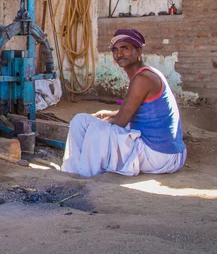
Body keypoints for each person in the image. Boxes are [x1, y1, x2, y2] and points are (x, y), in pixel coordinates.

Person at [61, 28, 186, 177]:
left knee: (96, 130)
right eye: (115, 50)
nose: (119, 54)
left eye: (125, 48)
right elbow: (133, 111)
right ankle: (72, 171)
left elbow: (121, 120)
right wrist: (103, 114)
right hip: (167, 152)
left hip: (159, 156)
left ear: (138, 51)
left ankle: (86, 174)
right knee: (80, 120)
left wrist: (98, 123)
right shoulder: (146, 73)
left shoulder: (142, 79)